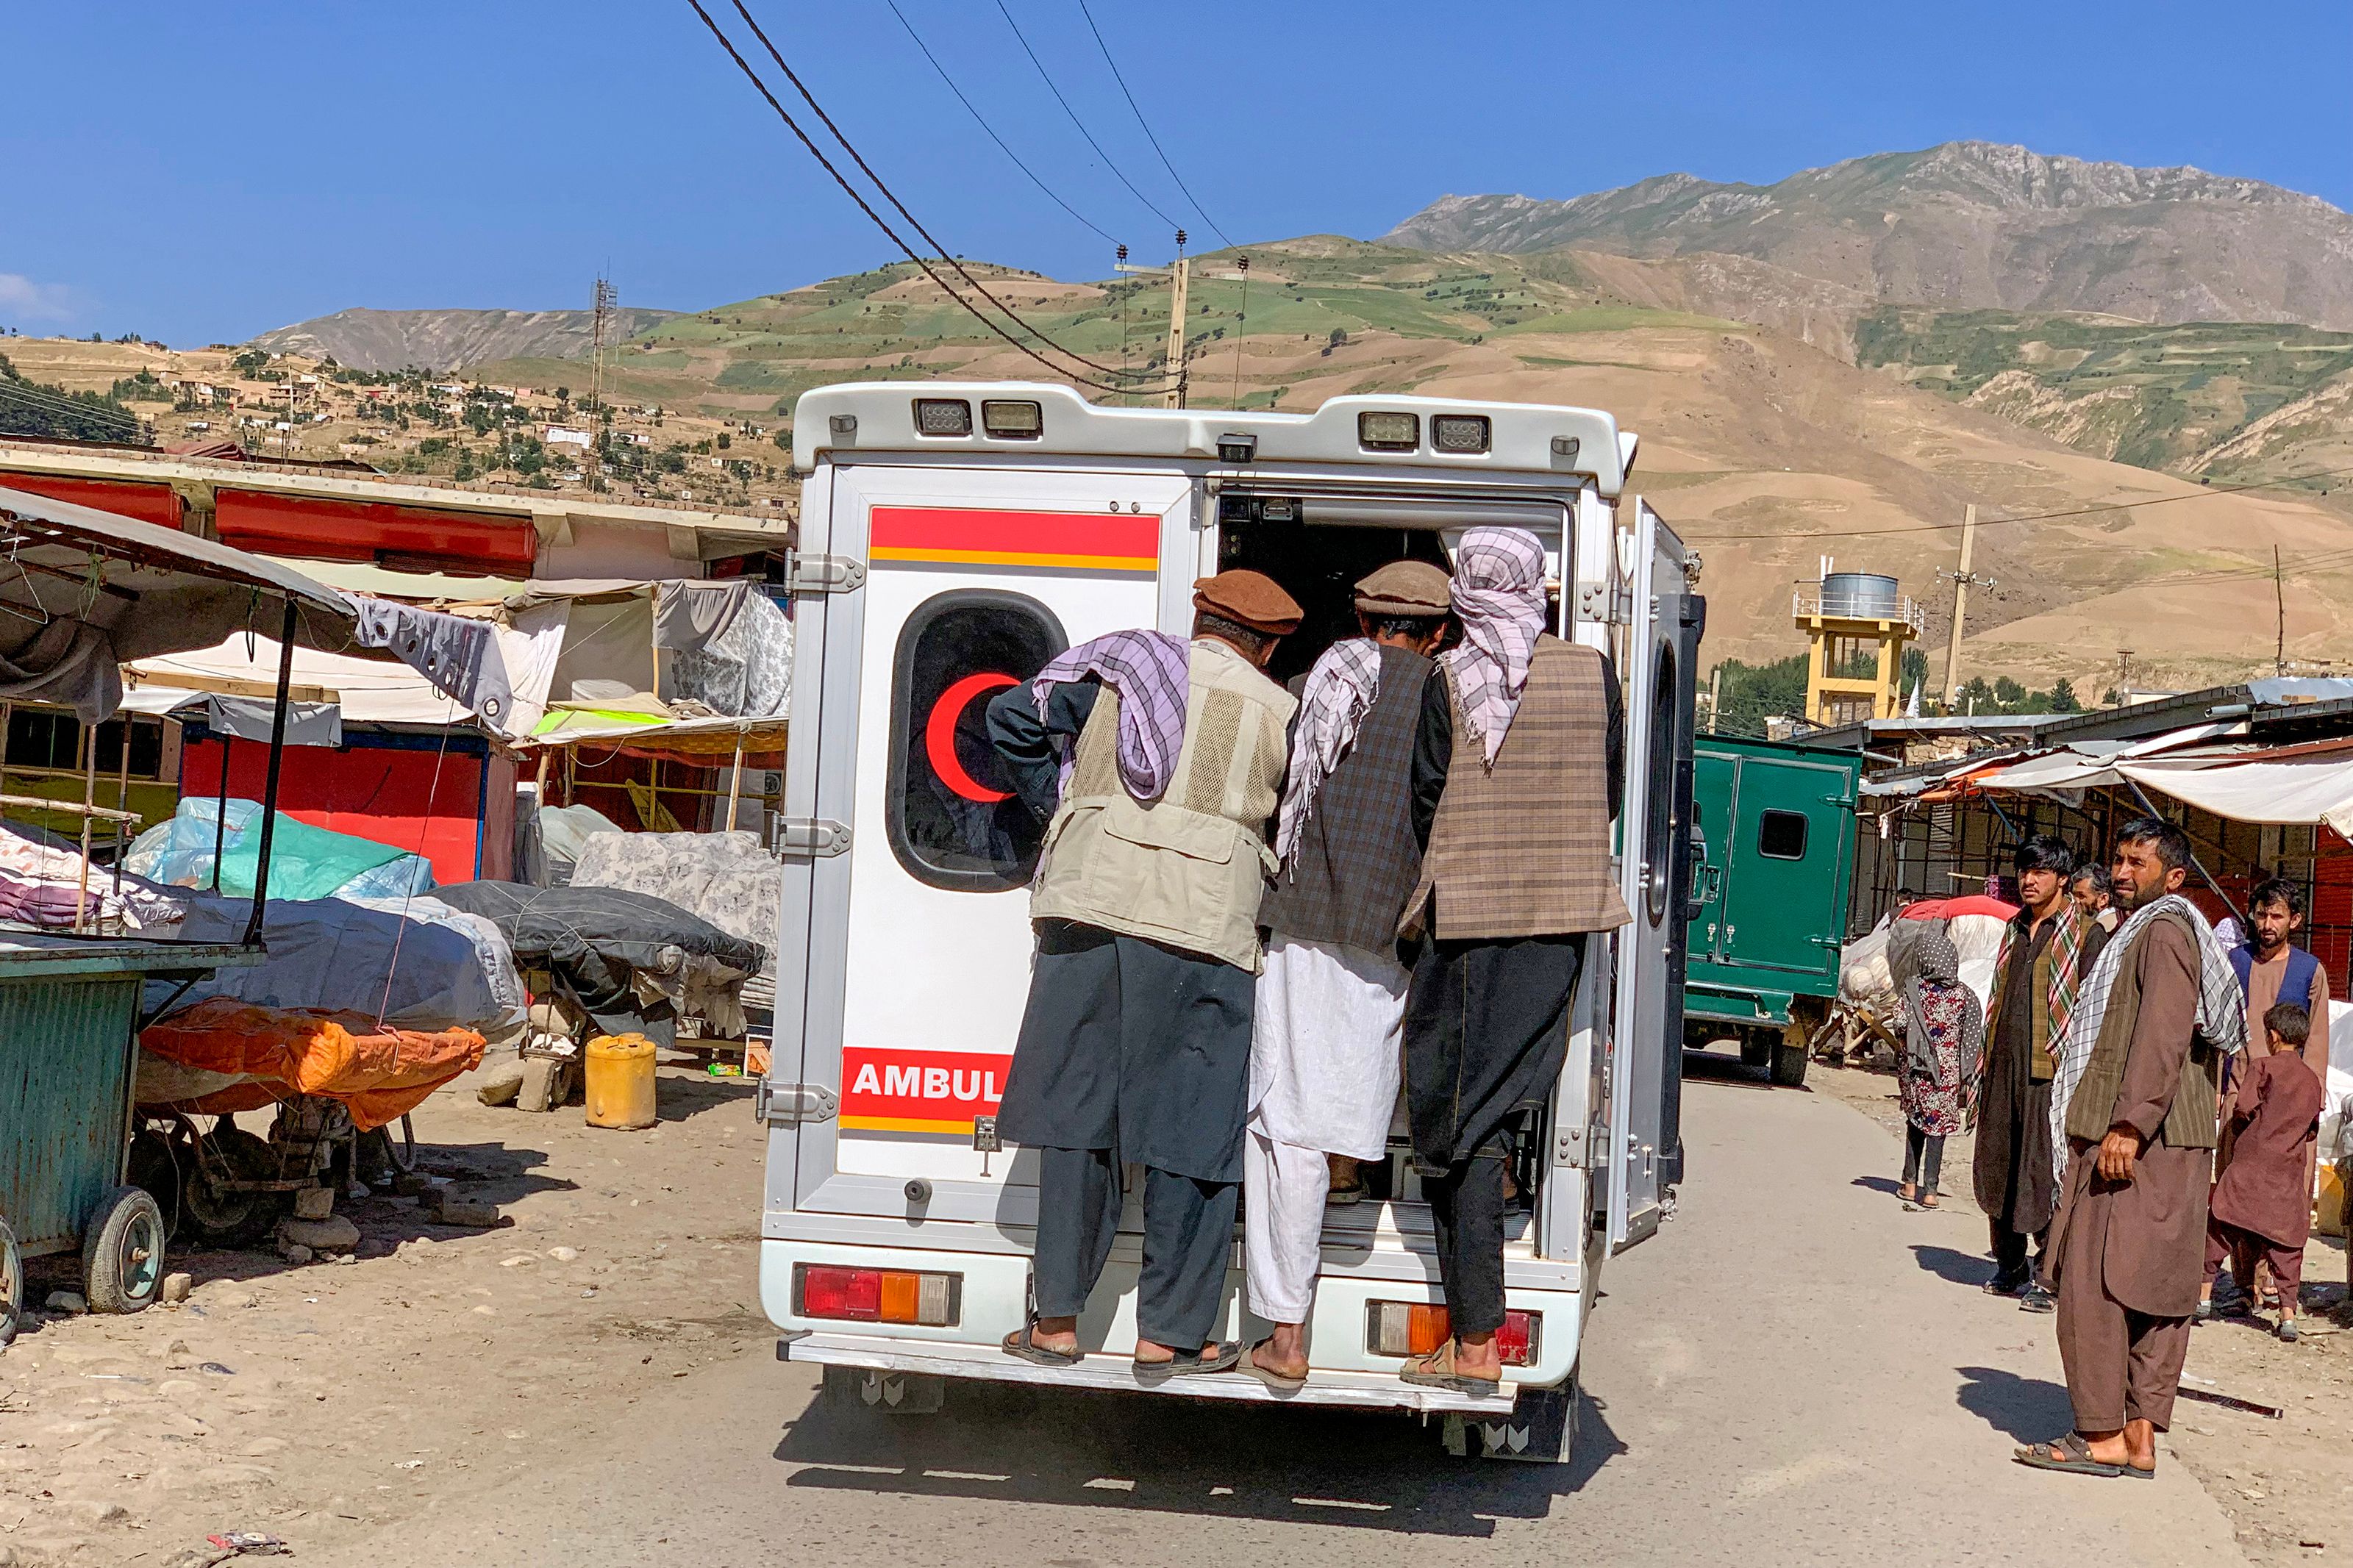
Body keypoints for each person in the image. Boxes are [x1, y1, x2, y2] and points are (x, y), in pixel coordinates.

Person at [985, 569, 1303, 1376]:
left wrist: (1061, 807)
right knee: (1191, 1132)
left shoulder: (1122, 675)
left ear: (1198, 619)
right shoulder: (1280, 710)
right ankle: (1168, 1336)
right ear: (1267, 645)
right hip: (1202, 924)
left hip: (1089, 906)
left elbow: (1005, 718)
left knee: (1075, 1121)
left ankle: (1055, 1323)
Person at [1392, 527, 1629, 1397]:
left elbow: (1423, 798)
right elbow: (1607, 786)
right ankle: (1473, 1337)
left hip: (1468, 922)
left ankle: (1476, 1339)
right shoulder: (1589, 670)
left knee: (1456, 1122)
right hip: (1560, 923)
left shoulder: (1447, 675)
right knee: (1492, 1111)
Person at [1241, 560, 1452, 1392]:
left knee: (1284, 1121)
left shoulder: (1313, 684)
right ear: (1440, 632)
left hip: (1302, 925)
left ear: (1364, 621)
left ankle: (1285, 1332)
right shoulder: (1454, 704)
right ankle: (1347, 1175)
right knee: (1354, 1093)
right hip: (1392, 934)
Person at [2016, 817, 2246, 1480]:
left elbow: (2164, 1035)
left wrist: (2130, 1124)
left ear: (2173, 876)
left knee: (2093, 1286)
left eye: (2136, 862)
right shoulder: (2153, 932)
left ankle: (2101, 1434)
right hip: (2171, 1140)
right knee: (2153, 1289)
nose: (2120, 873)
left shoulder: (2164, 933)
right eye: (2117, 859)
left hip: (2140, 1140)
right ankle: (2140, 1436)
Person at [1977, 835, 2107, 1309]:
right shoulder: (2015, 928)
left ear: (2062, 879)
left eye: (2040, 872)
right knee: (2000, 1164)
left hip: (2050, 1077)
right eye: (2024, 870)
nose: (2027, 881)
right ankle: (2008, 1264)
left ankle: (2048, 1274)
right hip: (2003, 1069)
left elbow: (2093, 1012)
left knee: (2045, 1172)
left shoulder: (2086, 936)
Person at [2202, 1002, 2324, 1342]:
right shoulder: (2311, 1080)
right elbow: (2312, 1129)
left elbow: (2243, 1108)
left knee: (2220, 1232)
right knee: (2286, 1250)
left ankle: (2203, 1297)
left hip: (2250, 1171)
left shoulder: (2263, 1067)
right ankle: (2287, 1316)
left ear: (2273, 1036)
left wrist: (2248, 1129)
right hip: (2285, 1177)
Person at [1888, 918, 1979, 1212]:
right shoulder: (1964, 995)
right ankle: (1932, 1191)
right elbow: (1973, 1037)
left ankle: (1908, 1183)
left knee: (1915, 1124)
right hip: (1946, 1075)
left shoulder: (1915, 990)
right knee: (1937, 1129)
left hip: (1917, 1072)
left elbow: (1900, 1023)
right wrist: (1966, 1073)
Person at [2072, 864, 2118, 932]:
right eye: (2074, 895)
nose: (2076, 900)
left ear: (2103, 899)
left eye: (2081, 896)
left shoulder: (2102, 930)